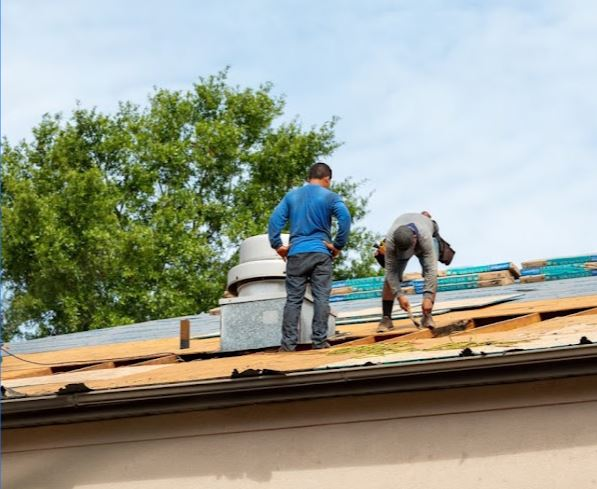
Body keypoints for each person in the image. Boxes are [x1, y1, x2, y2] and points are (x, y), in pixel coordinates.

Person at [268, 162, 351, 351]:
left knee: (293, 300)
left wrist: (277, 245)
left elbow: (274, 220)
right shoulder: (330, 197)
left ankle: (287, 345)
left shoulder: (292, 196)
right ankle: (319, 342)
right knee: (321, 297)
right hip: (321, 253)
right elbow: (345, 218)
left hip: (296, 254)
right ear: (327, 179)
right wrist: (337, 245)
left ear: (309, 178)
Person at [376, 211, 440, 332]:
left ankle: (427, 316)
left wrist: (428, 297)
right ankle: (386, 318)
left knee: (431, 273)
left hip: (424, 243)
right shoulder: (391, 241)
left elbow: (431, 269)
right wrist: (399, 295)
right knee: (389, 278)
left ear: (414, 239)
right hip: (400, 247)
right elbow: (390, 272)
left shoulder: (425, 237)